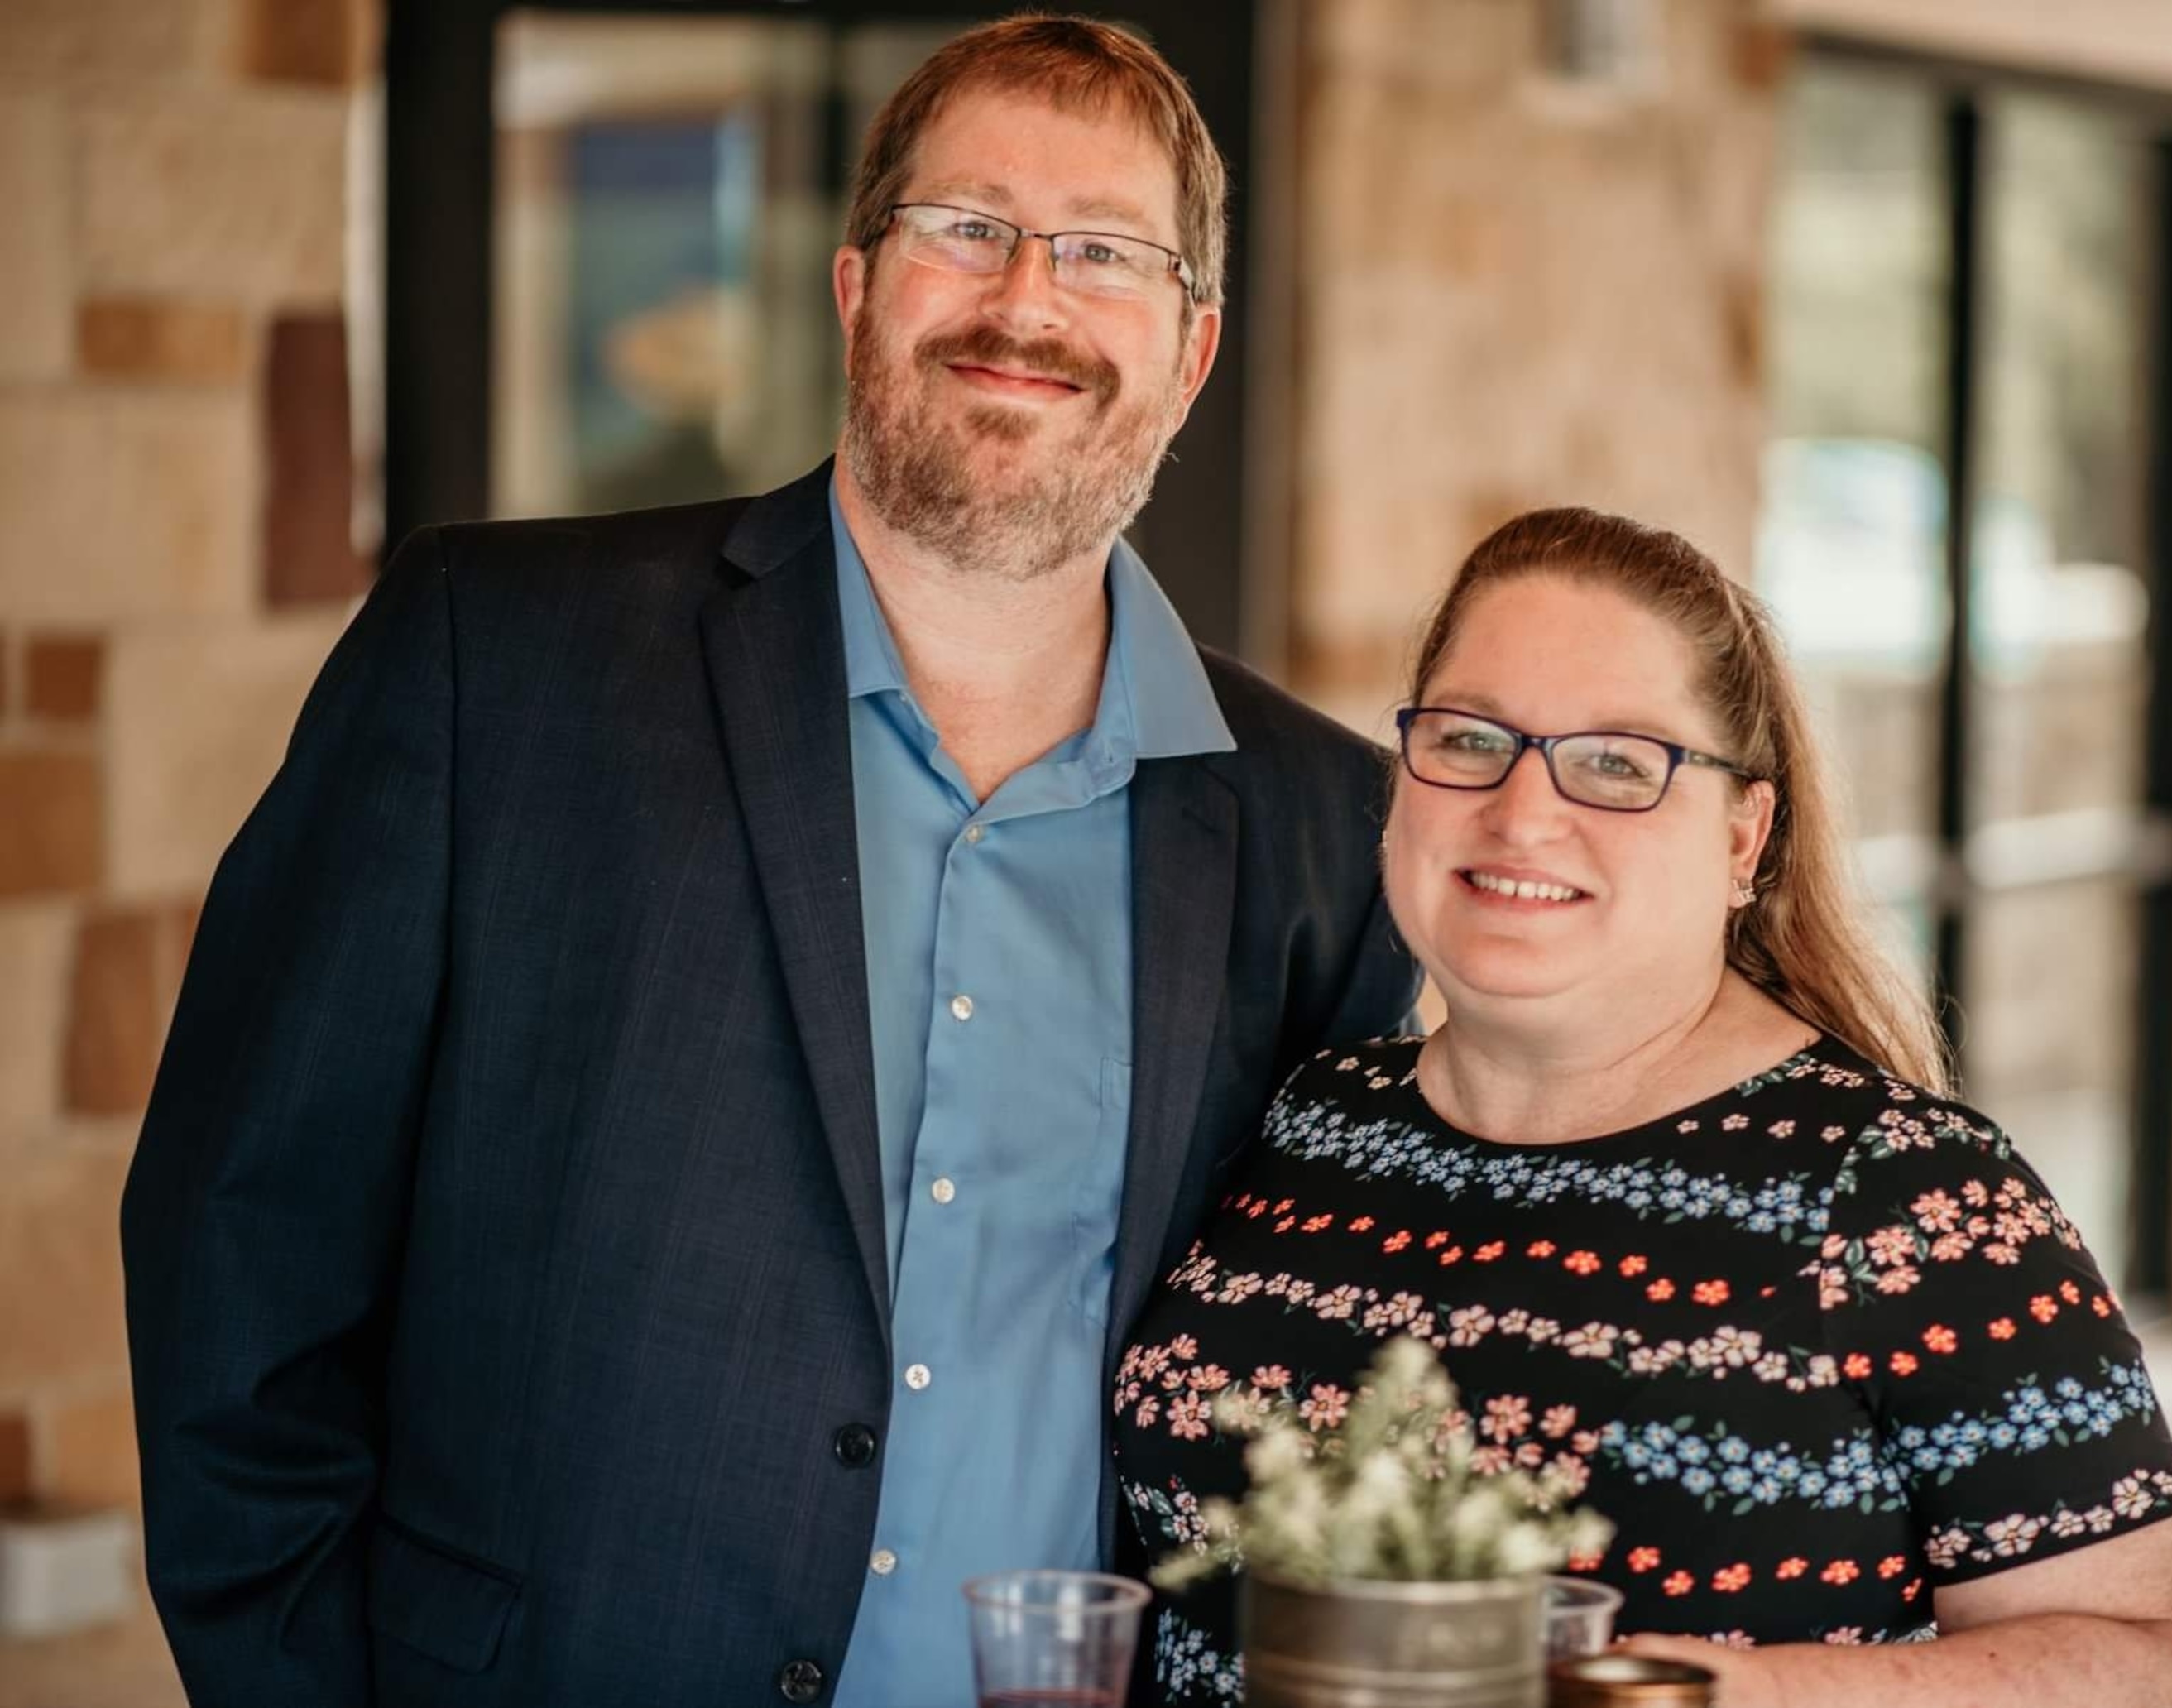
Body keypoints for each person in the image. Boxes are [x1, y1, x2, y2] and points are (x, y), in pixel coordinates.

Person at [119, 18, 1419, 1708]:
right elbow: (242, 1242)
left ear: (1191, 350)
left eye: (1105, 253)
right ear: (855, 286)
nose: (1028, 299)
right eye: (969, 226)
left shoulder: (1324, 828)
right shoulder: (492, 662)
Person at [1115, 508, 2172, 1707]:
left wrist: (1723, 1694)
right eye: (1471, 738)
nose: (1525, 812)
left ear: (1745, 837)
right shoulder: (1311, 1117)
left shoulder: (1910, 1194)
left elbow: (2147, 1662)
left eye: (1619, 763)